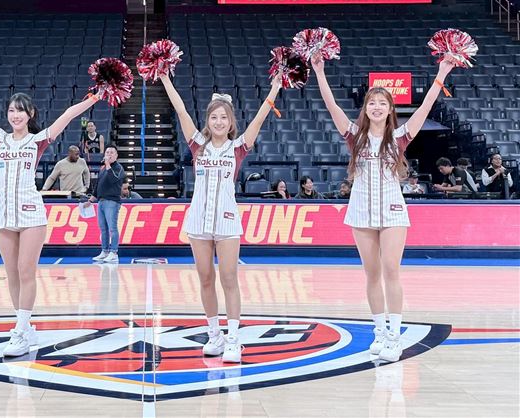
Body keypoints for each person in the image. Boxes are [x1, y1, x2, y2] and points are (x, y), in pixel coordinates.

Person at [0, 80, 101, 357]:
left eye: (21, 111)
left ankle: (20, 330)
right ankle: (25, 328)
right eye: (12, 110)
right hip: (2, 213)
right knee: (12, 274)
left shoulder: (37, 141)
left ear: (30, 115)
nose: (16, 115)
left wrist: (94, 99)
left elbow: (68, 115)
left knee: (26, 272)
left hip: (30, 213)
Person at [312, 52, 456, 362]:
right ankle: (379, 332)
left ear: (390, 110)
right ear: (365, 109)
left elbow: (427, 105)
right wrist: (319, 72)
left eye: (382, 103)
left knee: (392, 271)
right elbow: (331, 106)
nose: (376, 107)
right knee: (371, 274)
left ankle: (395, 334)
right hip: (361, 209)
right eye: (371, 102)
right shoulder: (354, 136)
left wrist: (441, 73)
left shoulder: (400, 137)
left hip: (392, 210)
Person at [160, 68, 282, 363]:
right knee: (204, 278)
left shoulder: (238, 148)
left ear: (230, 123)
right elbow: (179, 108)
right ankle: (214, 335)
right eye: (213, 117)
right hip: (198, 220)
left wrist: (275, 87)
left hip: (227, 221)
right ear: (208, 120)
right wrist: (164, 77)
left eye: (223, 117)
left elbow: (260, 117)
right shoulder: (197, 145)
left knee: (229, 278)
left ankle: (234, 339)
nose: (218, 121)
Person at [90, 144, 124, 264]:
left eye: (111, 153)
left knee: (112, 228)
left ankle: (114, 252)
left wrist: (108, 165)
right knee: (103, 229)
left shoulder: (118, 168)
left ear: (116, 155)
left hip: (112, 202)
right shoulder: (102, 169)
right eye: (107, 152)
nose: (109, 154)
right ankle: (104, 251)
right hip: (101, 201)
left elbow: (113, 179)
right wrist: (91, 200)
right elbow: (98, 186)